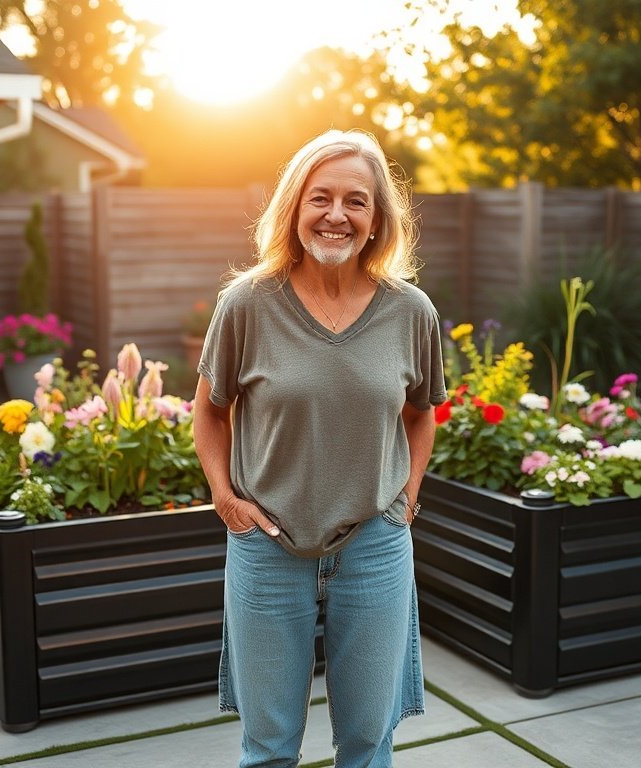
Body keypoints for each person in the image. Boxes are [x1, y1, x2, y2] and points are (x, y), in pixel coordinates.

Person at [192, 128, 447, 768]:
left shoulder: (411, 311)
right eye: (321, 198)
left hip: (375, 543)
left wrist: (406, 499)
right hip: (267, 544)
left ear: (375, 220)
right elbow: (209, 411)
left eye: (356, 201)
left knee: (367, 740)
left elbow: (423, 412)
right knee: (270, 744)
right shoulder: (247, 303)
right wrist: (226, 500)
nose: (337, 215)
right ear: (295, 209)